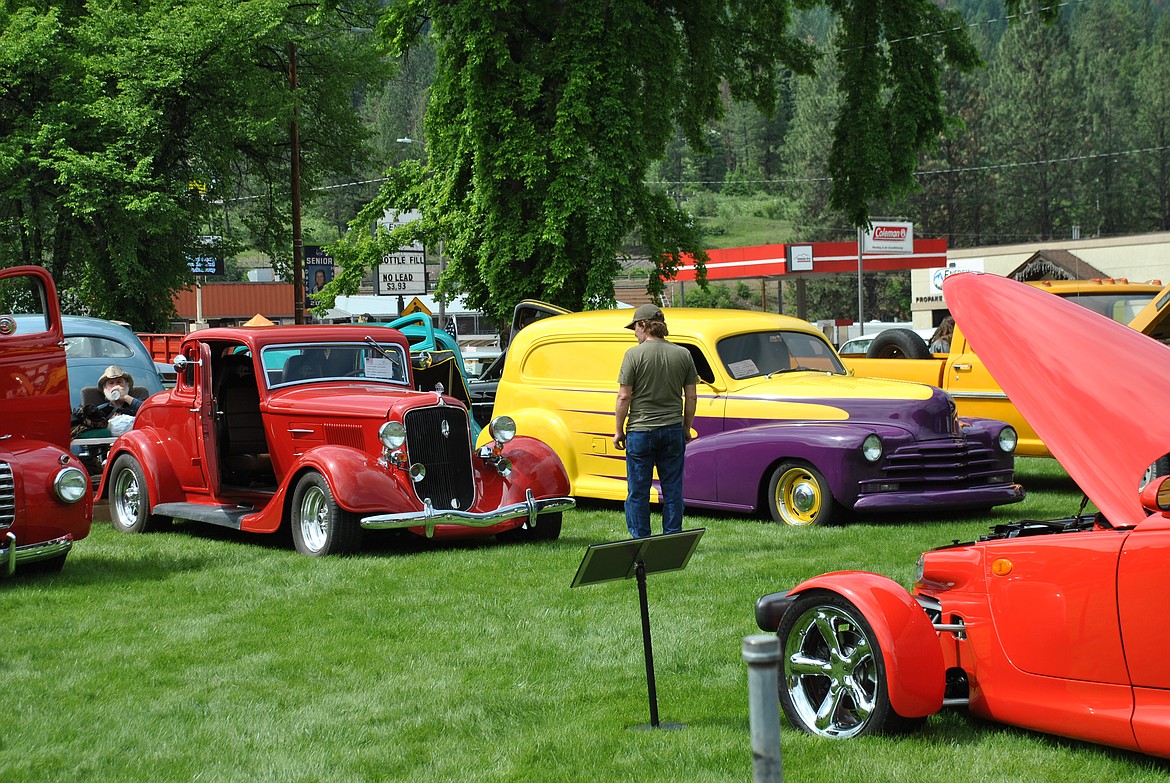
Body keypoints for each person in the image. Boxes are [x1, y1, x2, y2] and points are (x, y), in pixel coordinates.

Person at [613, 304, 699, 538]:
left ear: (644, 325)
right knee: (672, 490)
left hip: (640, 431)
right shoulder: (683, 354)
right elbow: (691, 396)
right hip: (672, 430)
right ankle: (672, 539)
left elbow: (624, 396)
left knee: (638, 492)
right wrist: (686, 427)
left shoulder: (633, 355)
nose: (634, 333)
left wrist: (618, 430)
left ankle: (641, 540)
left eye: (635, 327)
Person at [70, 365, 143, 437]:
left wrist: (125, 397)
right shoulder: (100, 411)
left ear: (126, 386)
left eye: (119, 382)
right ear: (105, 389)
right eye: (111, 383)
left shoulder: (137, 403)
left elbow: (149, 411)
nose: (115, 386)